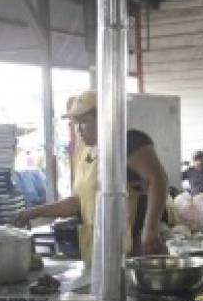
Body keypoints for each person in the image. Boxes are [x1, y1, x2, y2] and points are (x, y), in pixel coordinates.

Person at [15, 90, 170, 261]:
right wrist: (35, 212)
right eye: (75, 123)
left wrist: (150, 228)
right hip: (99, 246)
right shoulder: (84, 151)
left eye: (84, 121)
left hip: (133, 244)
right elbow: (78, 202)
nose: (78, 129)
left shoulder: (127, 142)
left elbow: (158, 179)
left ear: (104, 119)